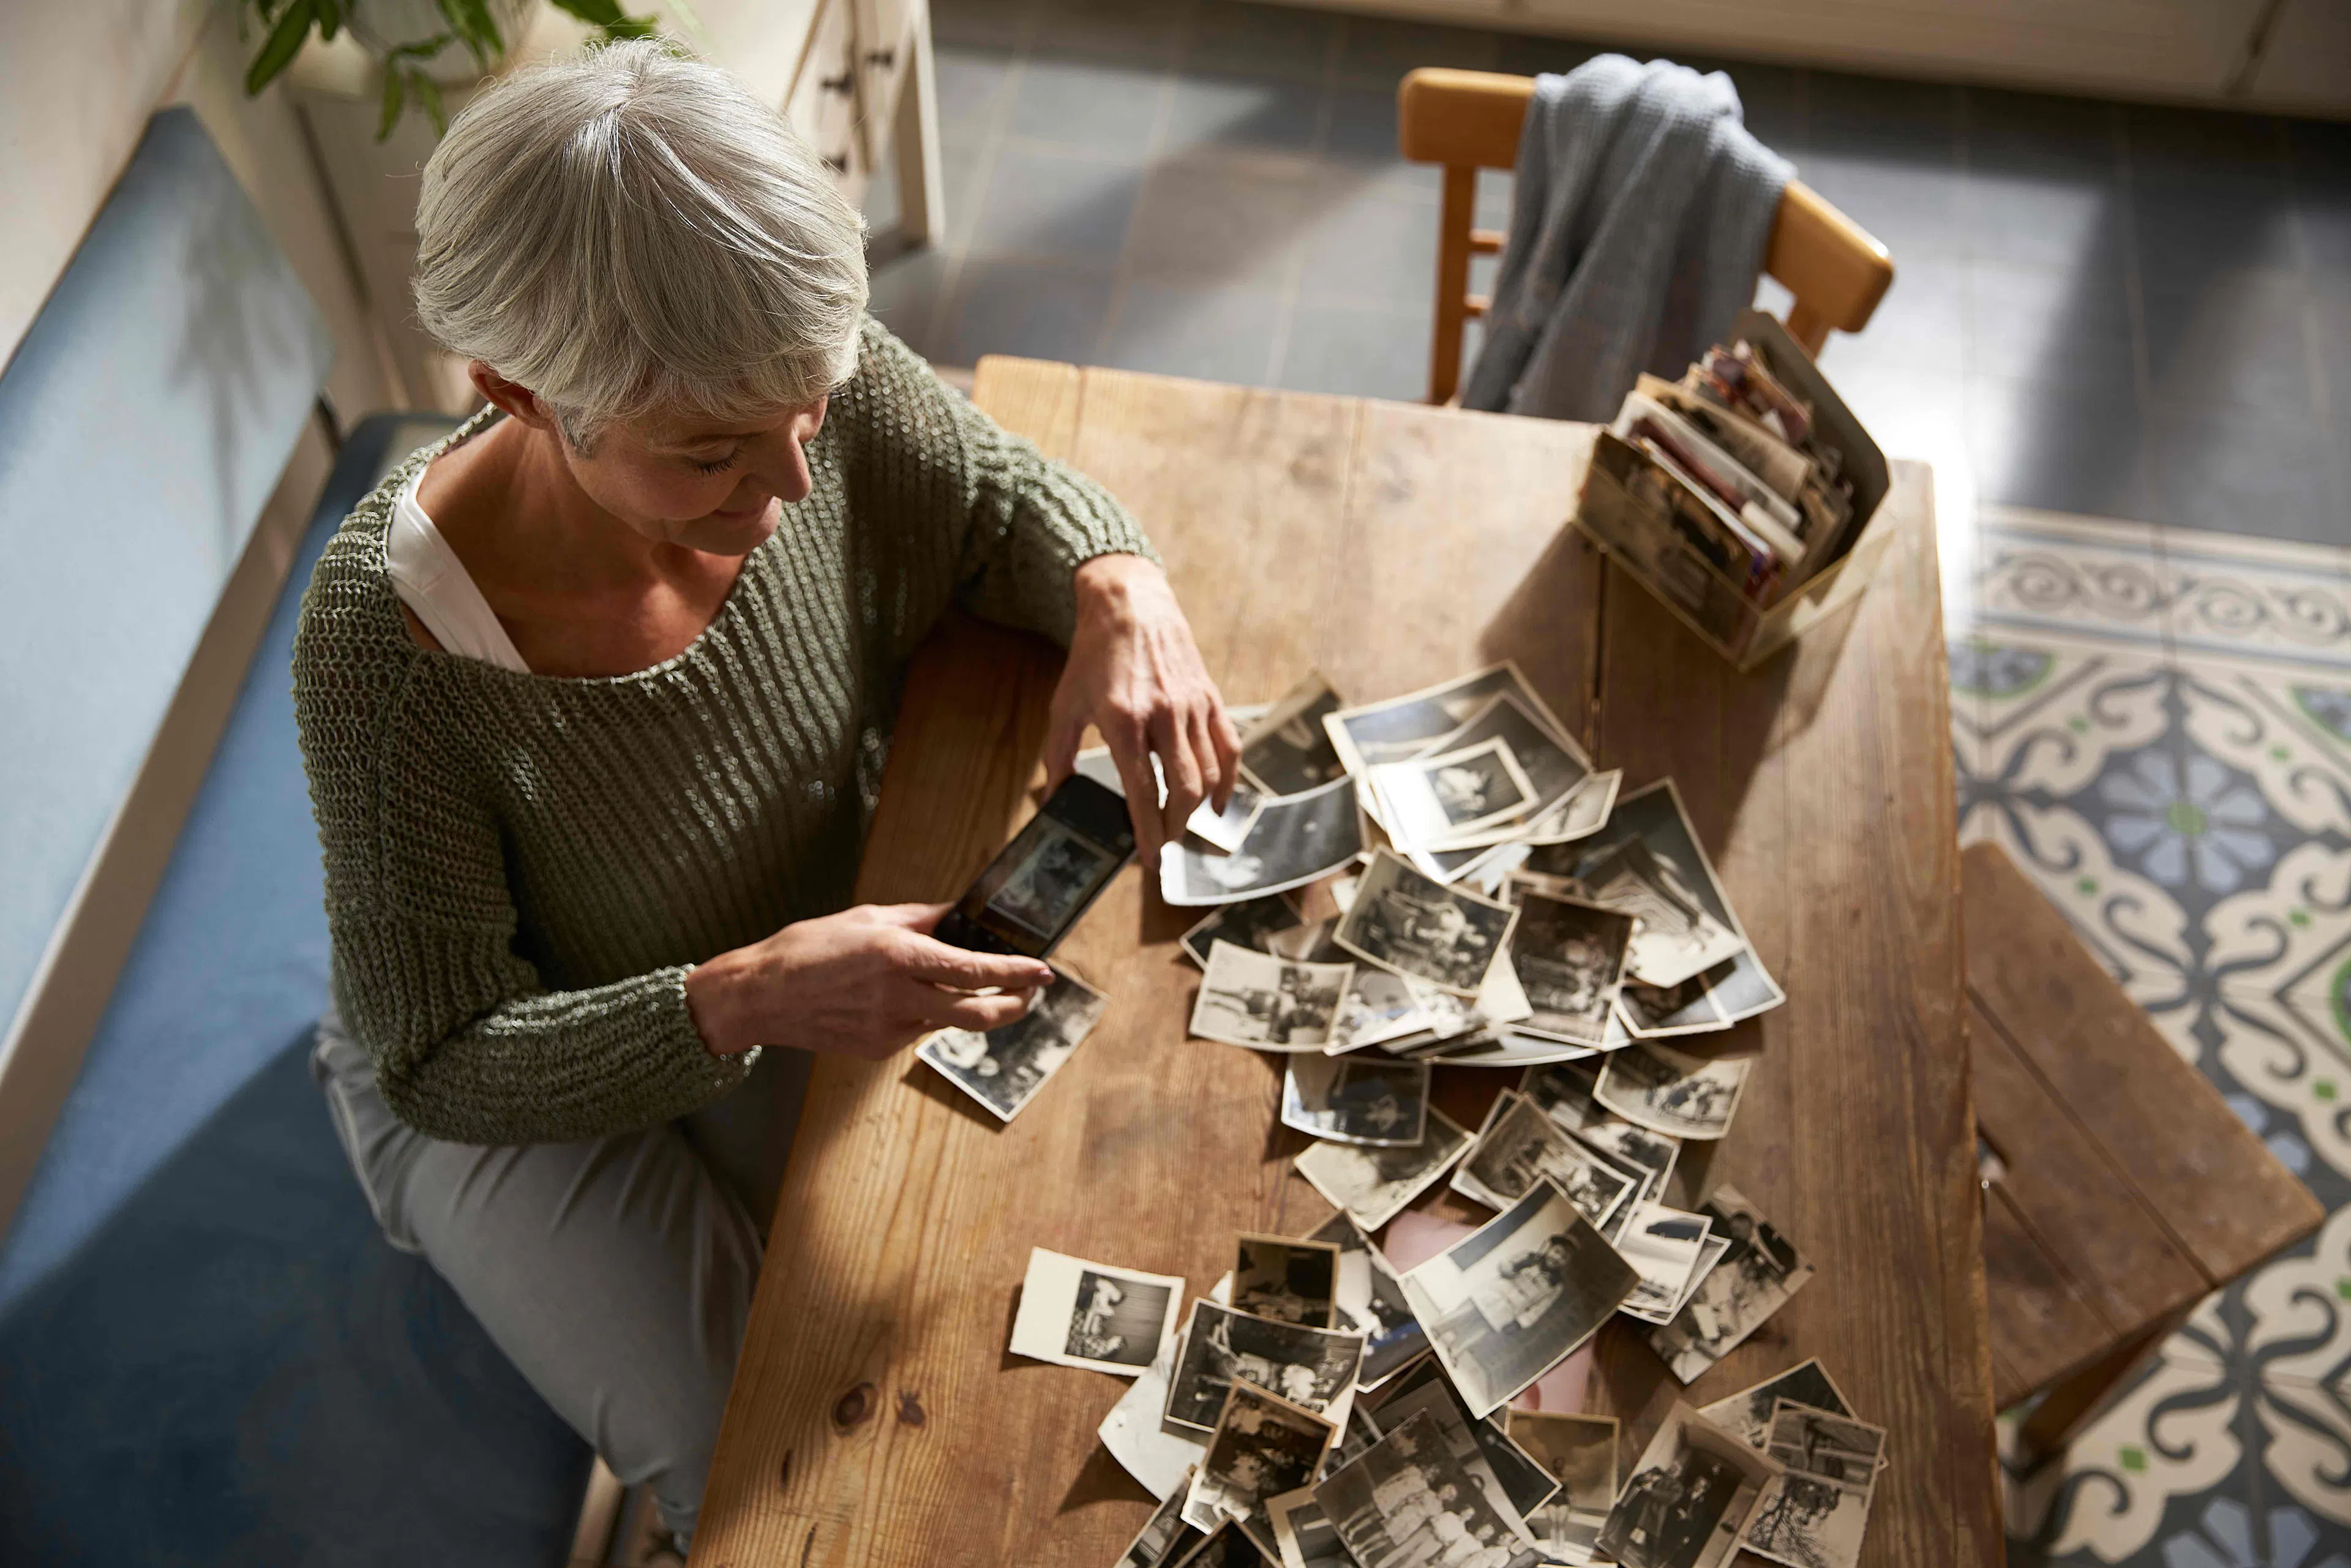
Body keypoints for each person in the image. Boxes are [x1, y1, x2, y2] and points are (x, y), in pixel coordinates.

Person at [292, 41, 1239, 1547]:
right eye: (713, 455)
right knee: (772, 1461)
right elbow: (438, 1057)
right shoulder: (388, 659)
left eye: (817, 402)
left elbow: (992, 500)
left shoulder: (784, 378)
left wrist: (1121, 582)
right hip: (500, 1069)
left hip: (780, 955)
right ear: (515, 392)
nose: (797, 484)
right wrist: (731, 999)